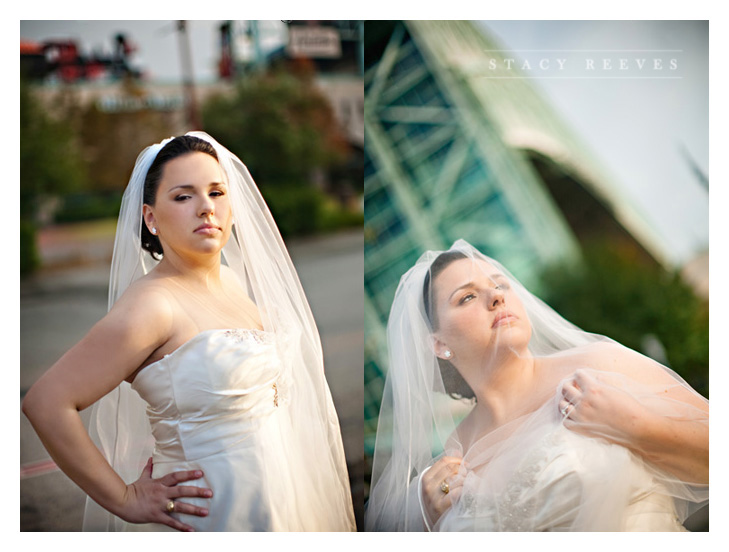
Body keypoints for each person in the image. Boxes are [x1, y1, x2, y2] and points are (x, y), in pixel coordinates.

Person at [22, 132, 356, 532]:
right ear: (150, 217)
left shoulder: (234, 284)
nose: (206, 208)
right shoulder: (152, 304)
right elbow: (46, 402)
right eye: (183, 197)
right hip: (215, 515)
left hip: (283, 500)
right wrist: (123, 498)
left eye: (217, 192)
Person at [365, 239, 708, 531]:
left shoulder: (597, 367)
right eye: (466, 297)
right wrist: (428, 520)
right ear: (438, 344)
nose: (496, 297)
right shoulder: (454, 457)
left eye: (499, 285)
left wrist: (633, 426)